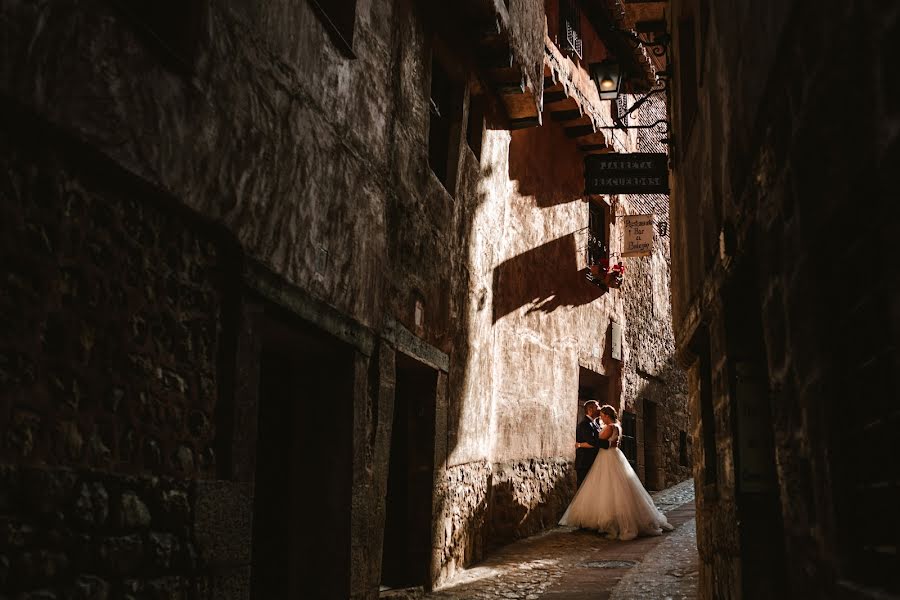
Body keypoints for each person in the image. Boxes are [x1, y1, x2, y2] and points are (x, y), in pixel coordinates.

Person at [560, 404, 674, 540]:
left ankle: (610, 521)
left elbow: (599, 443)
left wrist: (580, 444)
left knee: (609, 487)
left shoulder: (610, 427)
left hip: (608, 456)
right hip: (611, 456)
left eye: (602, 416)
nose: (601, 418)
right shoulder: (616, 426)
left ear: (607, 416)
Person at [575, 400, 617, 488]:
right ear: (590, 410)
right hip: (585, 463)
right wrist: (608, 444)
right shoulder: (585, 424)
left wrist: (580, 444)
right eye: (597, 407)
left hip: (594, 462)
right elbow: (592, 441)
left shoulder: (596, 424)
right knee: (583, 489)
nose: (599, 409)